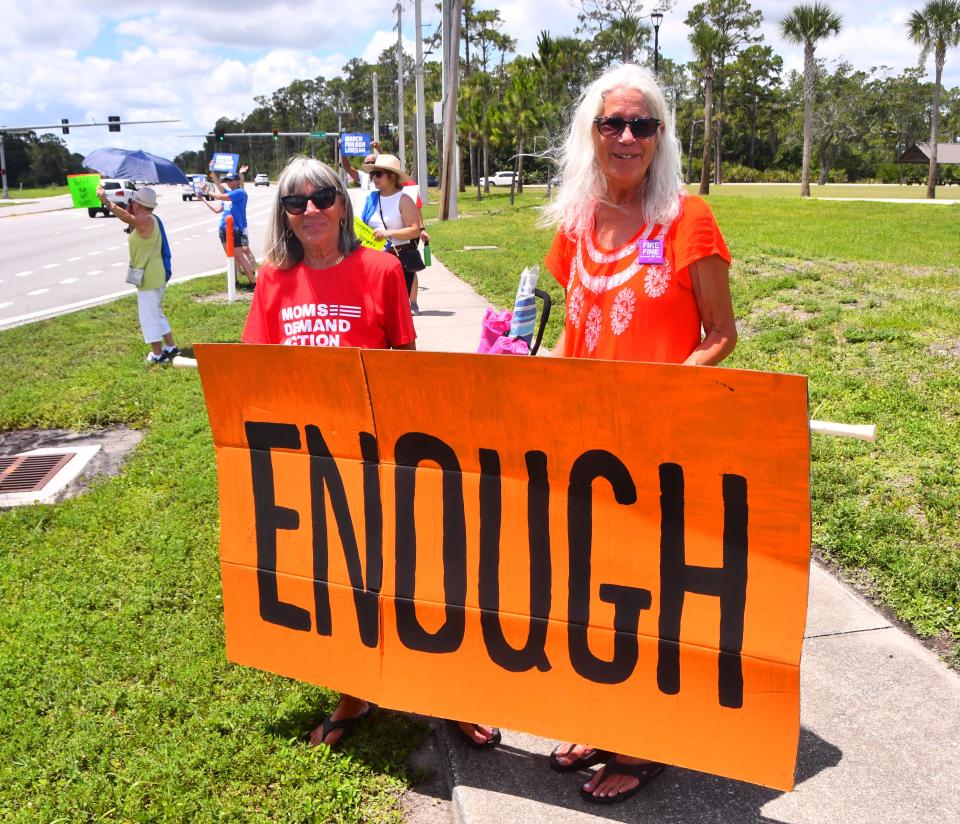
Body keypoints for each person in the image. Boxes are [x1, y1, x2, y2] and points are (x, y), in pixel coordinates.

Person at [242, 156, 500, 751]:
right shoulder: (274, 281)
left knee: (416, 578)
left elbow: (405, 368)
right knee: (339, 582)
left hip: (382, 457)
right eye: (295, 202)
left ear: (342, 202)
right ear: (283, 214)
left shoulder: (383, 270)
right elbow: (256, 374)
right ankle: (352, 693)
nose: (310, 210)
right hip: (313, 462)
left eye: (322, 197)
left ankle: (449, 697)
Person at [540, 63, 737, 805]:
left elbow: (721, 334)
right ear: (589, 134)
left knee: (649, 593)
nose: (626, 137)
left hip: (661, 446)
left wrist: (665, 393)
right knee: (594, 586)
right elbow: (572, 328)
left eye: (642, 124)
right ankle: (601, 717)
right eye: (611, 124)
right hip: (588, 442)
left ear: (661, 136)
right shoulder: (578, 222)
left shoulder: (689, 219)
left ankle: (647, 739)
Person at [97, 185, 180, 365]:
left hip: (149, 277)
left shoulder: (145, 221)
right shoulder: (151, 219)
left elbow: (127, 217)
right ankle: (171, 347)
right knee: (156, 312)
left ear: (138, 204)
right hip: (155, 274)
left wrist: (106, 202)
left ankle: (157, 354)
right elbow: (130, 220)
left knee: (148, 316)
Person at [358, 154, 425, 314]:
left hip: (397, 261)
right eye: (372, 174)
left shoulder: (404, 200)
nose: (374, 178)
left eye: (379, 174)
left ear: (392, 176)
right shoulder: (370, 199)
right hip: (373, 260)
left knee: (395, 310)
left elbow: (414, 230)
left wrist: (388, 233)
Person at [202, 163, 257, 285]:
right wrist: (212, 172)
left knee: (240, 256)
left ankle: (253, 282)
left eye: (231, 180)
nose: (228, 183)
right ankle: (235, 282)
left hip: (235, 228)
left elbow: (221, 195)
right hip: (224, 228)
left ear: (237, 181)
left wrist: (207, 192)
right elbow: (220, 192)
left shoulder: (239, 193)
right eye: (227, 181)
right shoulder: (230, 193)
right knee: (230, 257)